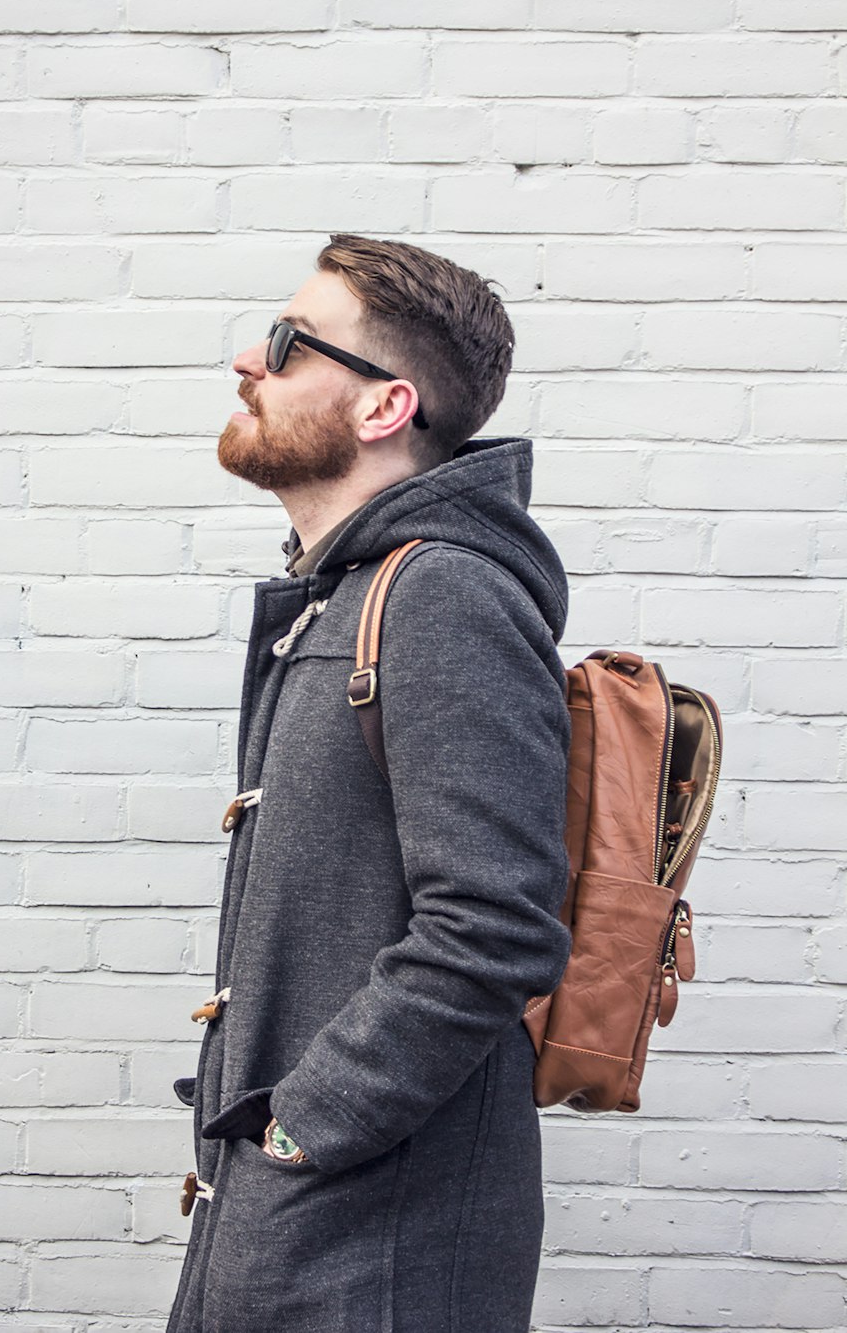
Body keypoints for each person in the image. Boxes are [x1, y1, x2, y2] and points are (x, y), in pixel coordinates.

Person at [164, 234, 572, 1333]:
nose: (250, 356)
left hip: (371, 1251)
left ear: (384, 408)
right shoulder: (347, 599)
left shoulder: (441, 596)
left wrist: (301, 1127)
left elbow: (492, 926)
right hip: (306, 1230)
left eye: (292, 342)